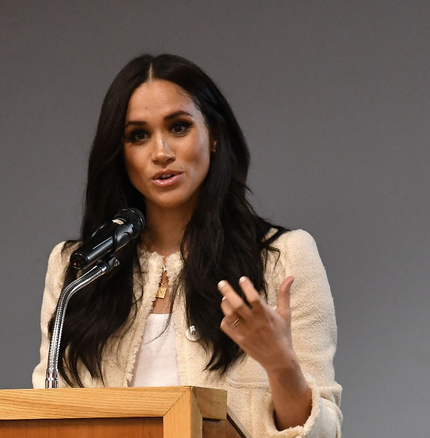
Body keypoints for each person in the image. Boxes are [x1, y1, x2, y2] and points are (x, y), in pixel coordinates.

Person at [32, 54, 342, 437]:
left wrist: (281, 365)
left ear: (212, 135)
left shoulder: (284, 259)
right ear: (120, 153)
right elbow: (45, 416)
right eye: (138, 135)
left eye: (178, 127)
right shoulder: (77, 269)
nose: (161, 152)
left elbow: (324, 434)